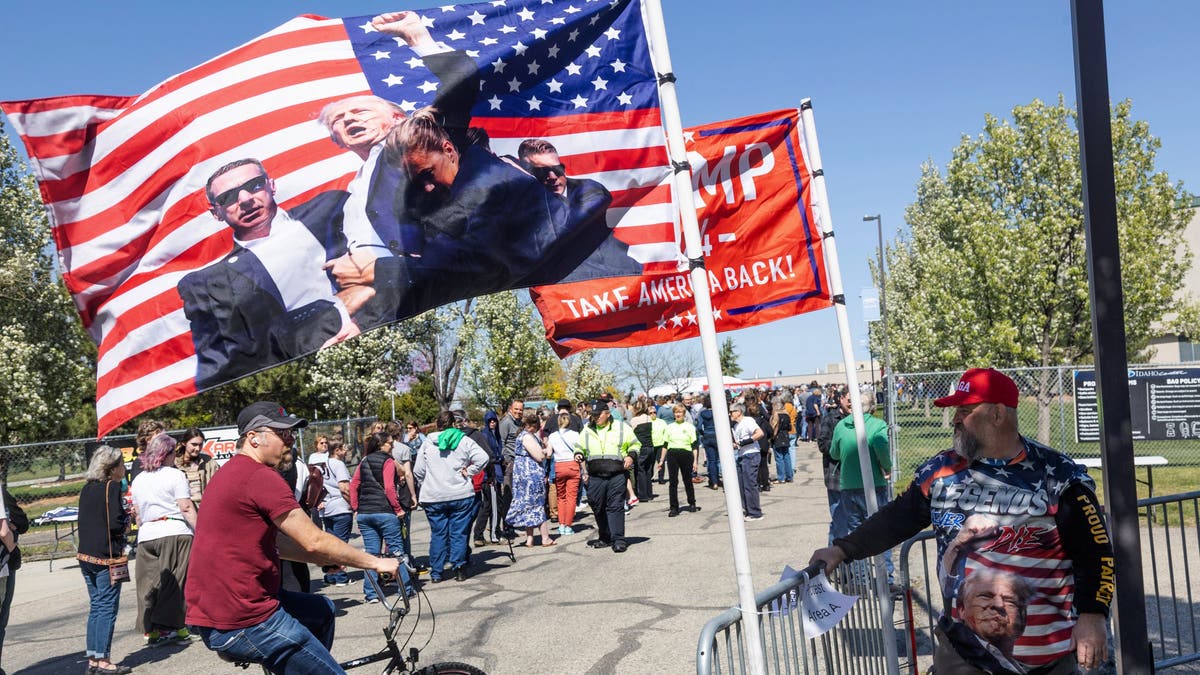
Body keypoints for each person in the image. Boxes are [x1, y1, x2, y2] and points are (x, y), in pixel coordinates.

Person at [809, 368, 1113, 673]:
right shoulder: (940, 471)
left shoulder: (1058, 475)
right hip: (963, 653)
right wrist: (843, 549)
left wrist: (1092, 616)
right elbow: (897, 518)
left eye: (965, 410)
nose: (956, 419)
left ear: (997, 414)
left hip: (1047, 656)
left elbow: (1096, 552)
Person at [186, 402, 400, 673]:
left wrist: (323, 558)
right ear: (254, 438)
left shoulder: (231, 472)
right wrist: (376, 562)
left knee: (321, 611)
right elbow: (315, 540)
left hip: (224, 610)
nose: (290, 441)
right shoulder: (259, 477)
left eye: (290, 434)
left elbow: (284, 544)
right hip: (244, 617)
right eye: (282, 434)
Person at [178, 159, 358, 389]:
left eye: (254, 185)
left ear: (271, 185)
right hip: (302, 383)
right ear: (216, 213)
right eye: (228, 197)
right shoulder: (208, 285)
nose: (244, 200)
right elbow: (219, 370)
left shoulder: (332, 209)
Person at [515, 138, 633, 283]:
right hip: (562, 289)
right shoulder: (527, 206)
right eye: (542, 172)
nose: (552, 177)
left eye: (557, 169)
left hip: (617, 275)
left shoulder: (590, 189)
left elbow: (570, 222)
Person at [129, 432, 198, 645]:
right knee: (175, 582)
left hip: (147, 534)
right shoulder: (174, 475)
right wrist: (201, 531)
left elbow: (138, 514)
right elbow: (185, 507)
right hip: (174, 531)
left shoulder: (139, 479)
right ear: (166, 454)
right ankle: (177, 628)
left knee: (148, 584)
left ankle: (151, 630)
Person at [413, 411, 490, 582]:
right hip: (459, 493)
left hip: (433, 495)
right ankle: (459, 567)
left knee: (438, 533)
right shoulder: (462, 439)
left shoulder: (427, 443)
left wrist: (427, 481)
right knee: (459, 533)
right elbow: (483, 457)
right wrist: (469, 472)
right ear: (454, 423)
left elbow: (418, 470)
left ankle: (436, 572)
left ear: (437, 424)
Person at [77, 446, 134, 675]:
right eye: (121, 465)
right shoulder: (111, 487)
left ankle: (93, 657)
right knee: (107, 608)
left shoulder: (87, 488)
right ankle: (104, 660)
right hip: (107, 556)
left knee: (96, 607)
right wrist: (127, 521)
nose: (124, 469)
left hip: (86, 555)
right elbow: (114, 523)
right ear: (111, 469)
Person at [828, 390, 894, 582]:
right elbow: (881, 448)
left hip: (849, 485)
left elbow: (834, 452)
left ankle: (861, 578)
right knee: (881, 532)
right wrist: (886, 466)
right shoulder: (877, 425)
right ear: (872, 407)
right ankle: (886, 578)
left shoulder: (841, 426)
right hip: (874, 485)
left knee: (855, 534)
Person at [349, 432, 416, 601]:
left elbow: (354, 485)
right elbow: (388, 488)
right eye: (390, 444)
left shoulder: (363, 461)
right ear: (381, 445)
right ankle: (405, 590)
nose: (392, 447)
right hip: (384, 512)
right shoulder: (387, 461)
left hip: (365, 513)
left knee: (371, 555)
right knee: (397, 552)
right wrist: (398, 508)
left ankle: (371, 593)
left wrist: (356, 507)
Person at [574, 401, 638, 553]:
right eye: (593, 415)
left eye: (598, 415)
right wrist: (578, 453)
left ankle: (618, 540)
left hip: (616, 473)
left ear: (607, 413)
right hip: (595, 474)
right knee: (596, 504)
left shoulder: (622, 427)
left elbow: (635, 444)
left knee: (615, 506)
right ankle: (605, 536)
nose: (595, 418)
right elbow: (579, 446)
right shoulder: (587, 429)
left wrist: (631, 456)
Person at [954, 567, 1034, 671]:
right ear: (962, 610)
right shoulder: (959, 664)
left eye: (1010, 601)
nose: (999, 604)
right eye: (985, 596)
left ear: (1022, 620)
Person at [307, 436, 353, 587]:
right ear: (337, 450)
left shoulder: (321, 464)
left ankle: (331, 574)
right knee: (340, 544)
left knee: (331, 543)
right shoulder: (337, 464)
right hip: (340, 506)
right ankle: (340, 576)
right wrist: (353, 504)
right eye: (344, 448)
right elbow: (344, 488)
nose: (346, 451)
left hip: (327, 507)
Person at [506, 412, 555, 547]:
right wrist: (548, 448)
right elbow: (539, 456)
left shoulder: (522, 436)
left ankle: (530, 539)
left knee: (529, 505)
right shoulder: (527, 437)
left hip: (522, 475)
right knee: (537, 504)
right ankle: (545, 538)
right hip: (530, 475)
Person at [815, 389, 849, 543]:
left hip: (855, 477)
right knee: (839, 520)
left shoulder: (859, 419)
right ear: (841, 399)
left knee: (854, 522)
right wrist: (842, 447)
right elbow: (822, 444)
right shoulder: (830, 419)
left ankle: (852, 560)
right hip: (836, 476)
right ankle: (831, 559)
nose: (851, 403)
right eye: (849, 399)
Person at [657, 403, 700, 518]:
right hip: (672, 454)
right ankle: (674, 507)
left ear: (683, 414)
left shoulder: (690, 427)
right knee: (673, 481)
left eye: (680, 412)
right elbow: (665, 445)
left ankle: (692, 502)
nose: (678, 414)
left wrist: (695, 461)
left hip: (686, 453)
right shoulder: (669, 427)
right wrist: (661, 460)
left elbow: (694, 446)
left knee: (687, 480)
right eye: (676, 412)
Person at [545, 411, 583, 536]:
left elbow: (549, 454)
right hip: (572, 465)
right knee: (571, 497)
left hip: (559, 466)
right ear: (569, 422)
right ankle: (568, 525)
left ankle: (561, 524)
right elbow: (581, 450)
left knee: (561, 497)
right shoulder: (575, 434)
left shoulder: (552, 436)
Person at [473, 411, 506, 545]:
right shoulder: (485, 435)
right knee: (494, 506)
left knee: (487, 506)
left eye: (494, 420)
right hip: (490, 475)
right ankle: (495, 534)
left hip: (494, 474)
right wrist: (499, 459)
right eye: (490, 421)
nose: (493, 423)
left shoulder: (494, 434)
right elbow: (488, 456)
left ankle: (478, 535)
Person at [729, 404, 765, 521]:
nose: (730, 414)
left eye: (732, 411)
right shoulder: (735, 426)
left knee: (750, 484)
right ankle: (747, 510)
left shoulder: (747, 421)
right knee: (741, 484)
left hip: (751, 454)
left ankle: (755, 513)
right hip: (741, 455)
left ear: (739, 411)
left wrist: (745, 442)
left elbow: (759, 433)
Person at [175, 427, 217, 504]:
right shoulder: (174, 464)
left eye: (200, 445)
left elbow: (218, 486)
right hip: (181, 510)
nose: (197, 448)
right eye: (194, 444)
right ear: (184, 443)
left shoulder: (209, 462)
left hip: (204, 509)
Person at [628, 399, 659, 503]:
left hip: (641, 447)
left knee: (640, 471)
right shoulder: (648, 418)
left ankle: (643, 495)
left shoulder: (634, 420)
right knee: (648, 470)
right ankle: (649, 493)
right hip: (650, 446)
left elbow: (631, 433)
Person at [697, 395, 721, 490]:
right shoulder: (718, 412)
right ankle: (718, 479)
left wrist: (703, 434)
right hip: (717, 436)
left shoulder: (702, 413)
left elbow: (699, 426)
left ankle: (714, 481)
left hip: (707, 435)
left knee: (711, 461)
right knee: (719, 460)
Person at [769, 396, 794, 483]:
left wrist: (771, 437)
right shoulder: (786, 413)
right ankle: (789, 476)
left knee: (779, 458)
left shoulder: (776, 414)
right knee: (787, 456)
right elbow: (789, 427)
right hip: (786, 436)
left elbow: (773, 427)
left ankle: (781, 478)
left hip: (778, 437)